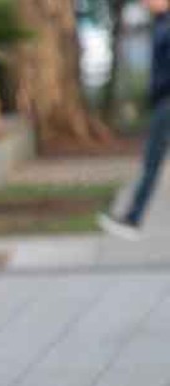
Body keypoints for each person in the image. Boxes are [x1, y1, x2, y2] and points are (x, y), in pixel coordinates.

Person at [101, 0, 170, 240]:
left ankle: (133, 218)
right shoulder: (160, 23)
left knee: (152, 162)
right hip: (162, 102)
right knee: (151, 162)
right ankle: (132, 217)